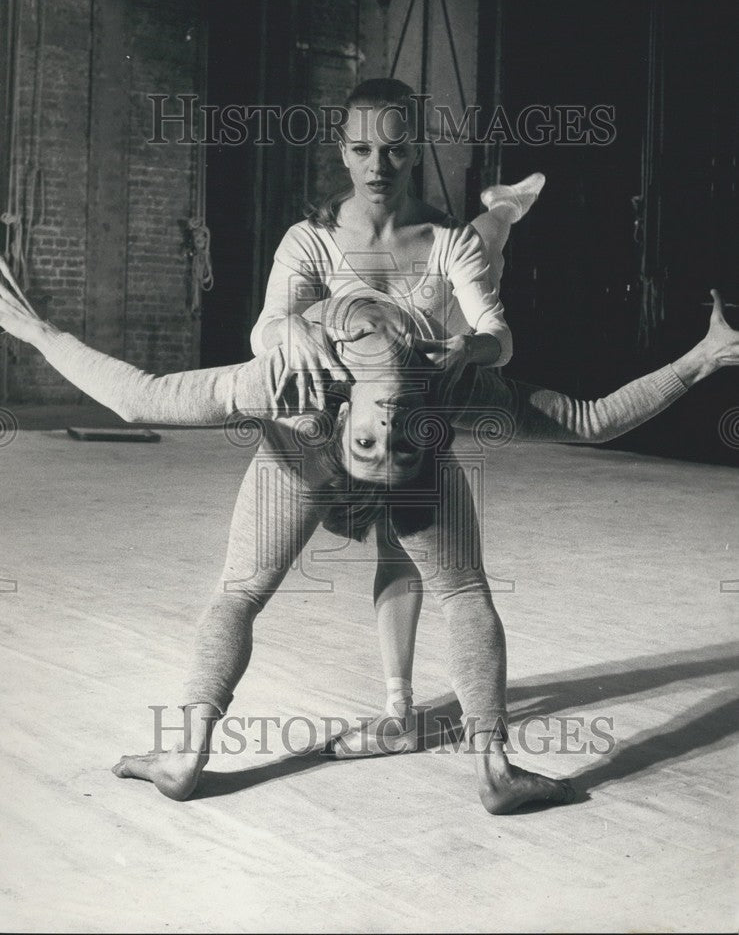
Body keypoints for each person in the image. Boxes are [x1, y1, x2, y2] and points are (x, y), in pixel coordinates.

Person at [2, 252, 737, 813]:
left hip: (300, 451)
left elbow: (138, 399)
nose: (384, 432)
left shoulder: (293, 385)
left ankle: (183, 758)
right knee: (460, 588)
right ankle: (496, 768)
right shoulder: (443, 384)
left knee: (240, 590)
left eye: (381, 446)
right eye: (387, 442)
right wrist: (700, 357)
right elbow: (590, 419)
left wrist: (37, 329)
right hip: (334, 448)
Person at [250, 77, 545, 750]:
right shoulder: (311, 240)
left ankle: (504, 207)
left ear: (415, 152)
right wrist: (287, 328)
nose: (377, 167)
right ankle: (397, 707)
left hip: (424, 379)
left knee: (486, 241)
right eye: (361, 149)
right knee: (393, 539)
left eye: (394, 151)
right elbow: (264, 329)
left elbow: (498, 337)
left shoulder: (445, 243)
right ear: (342, 152)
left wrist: (472, 344)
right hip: (361, 406)